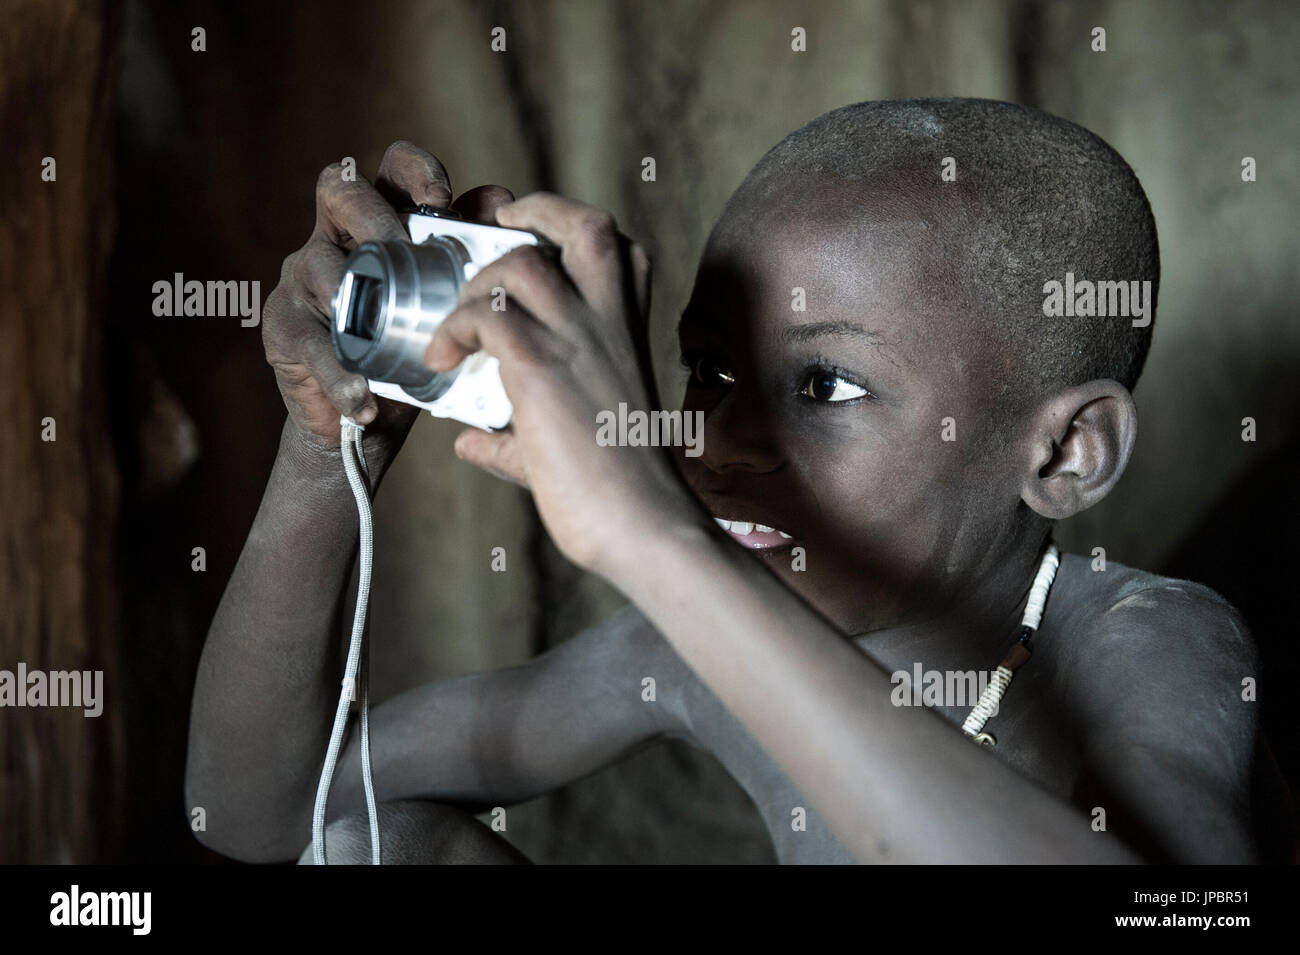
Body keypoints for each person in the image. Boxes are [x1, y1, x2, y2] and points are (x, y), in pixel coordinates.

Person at [185, 98, 1279, 864]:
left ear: (1063, 452)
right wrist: (329, 447)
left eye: (823, 384)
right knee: (387, 846)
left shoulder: (1148, 640)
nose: (717, 440)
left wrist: (655, 541)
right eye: (707, 370)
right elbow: (255, 817)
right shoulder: (684, 647)